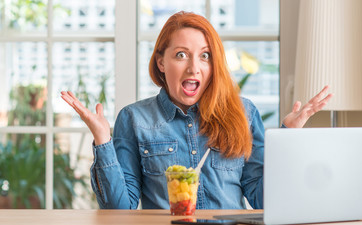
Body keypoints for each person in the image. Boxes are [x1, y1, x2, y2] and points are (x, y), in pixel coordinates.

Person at [61, 11, 332, 209]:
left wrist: (287, 138)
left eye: (204, 56)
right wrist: (102, 139)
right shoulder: (134, 119)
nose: (194, 67)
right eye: (181, 55)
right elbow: (120, 209)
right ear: (161, 63)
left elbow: (262, 199)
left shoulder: (244, 113)